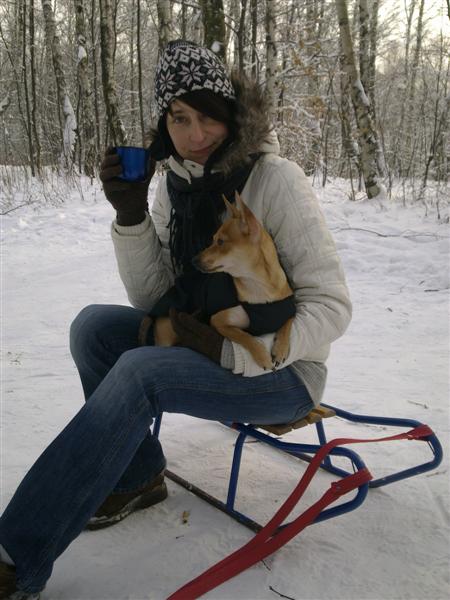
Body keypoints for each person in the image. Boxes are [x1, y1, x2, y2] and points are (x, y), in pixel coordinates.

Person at [0, 40, 351, 599]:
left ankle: (14, 559)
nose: (196, 134)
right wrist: (131, 215)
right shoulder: (175, 184)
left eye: (208, 115)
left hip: (284, 374)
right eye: (180, 118)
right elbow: (155, 299)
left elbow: (331, 306)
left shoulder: (275, 180)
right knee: (94, 328)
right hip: (208, 344)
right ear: (164, 122)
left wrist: (236, 352)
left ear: (231, 115)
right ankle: (138, 476)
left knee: (141, 373)